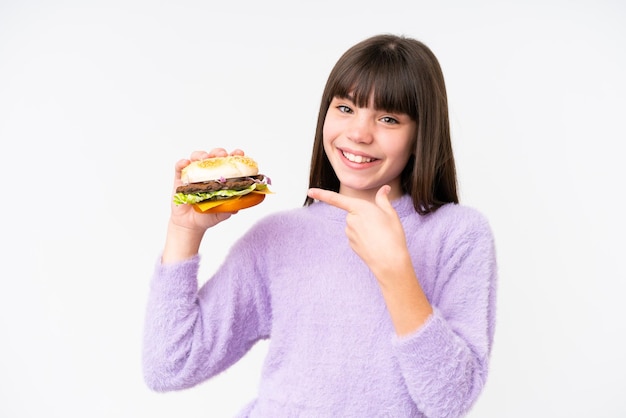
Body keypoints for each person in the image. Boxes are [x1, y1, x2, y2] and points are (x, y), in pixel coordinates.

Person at [142, 34, 497, 417]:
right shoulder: (278, 238)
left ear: (419, 135)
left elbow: (450, 401)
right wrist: (185, 231)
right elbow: (168, 366)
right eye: (345, 108)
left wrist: (395, 273)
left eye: (388, 118)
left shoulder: (458, 235)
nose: (359, 133)